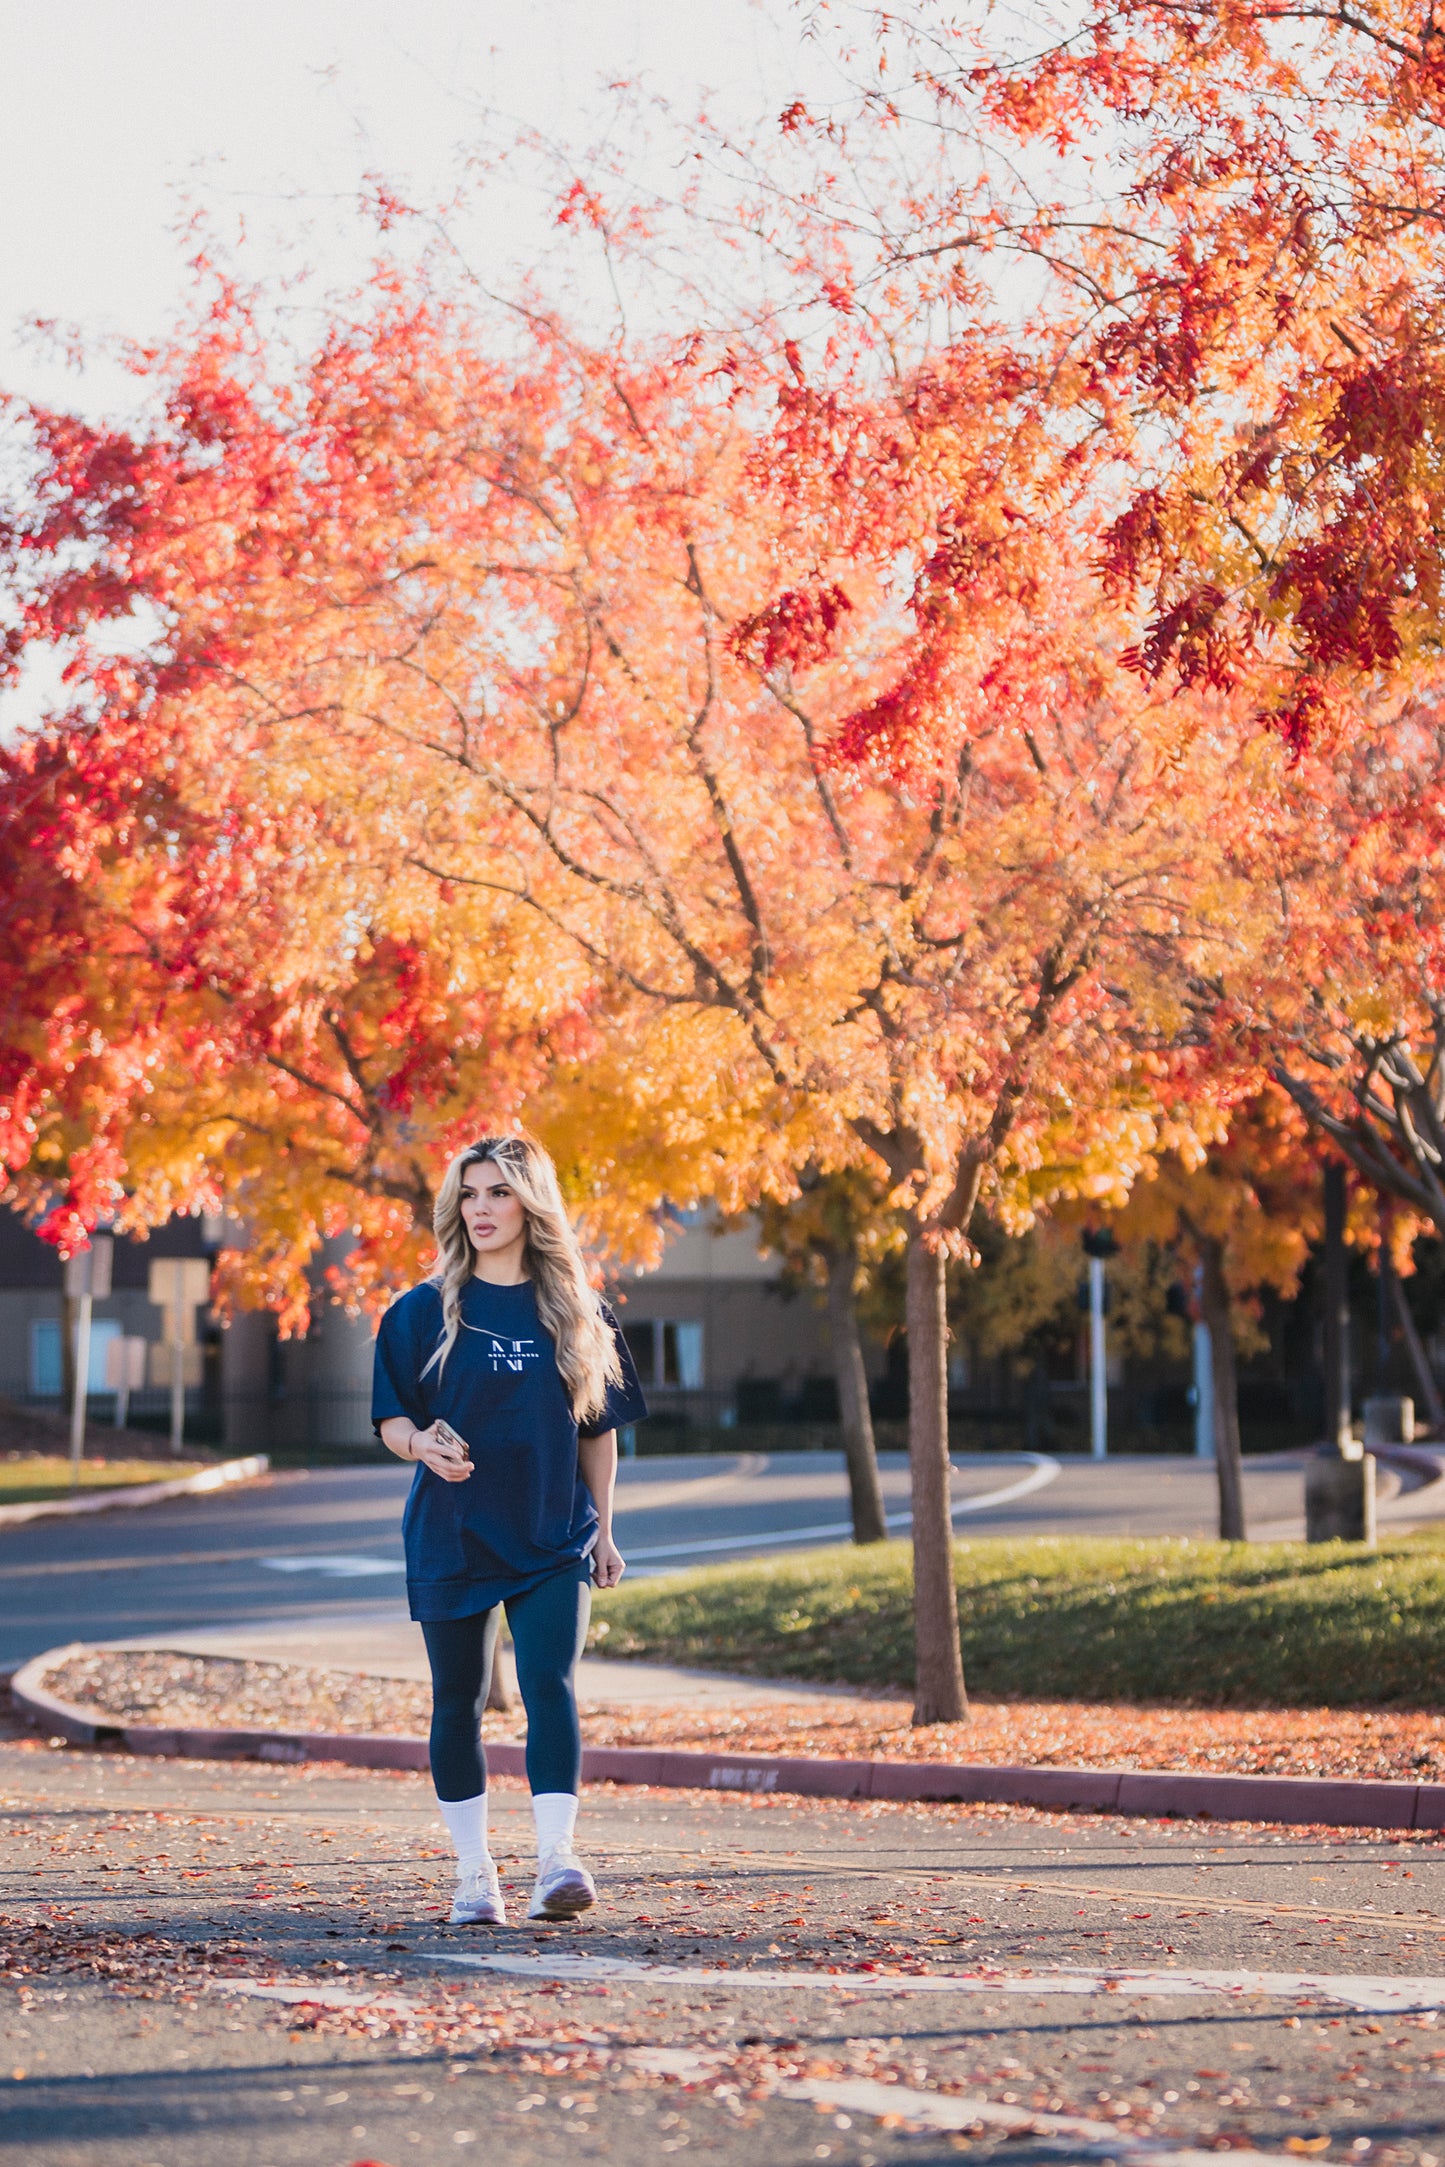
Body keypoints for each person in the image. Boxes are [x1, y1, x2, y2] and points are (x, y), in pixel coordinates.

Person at [372, 1132, 648, 1926]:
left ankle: (558, 1859)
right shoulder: (421, 1310)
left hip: (552, 1531)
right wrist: (421, 1443)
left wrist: (603, 1531)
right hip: (450, 1534)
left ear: (531, 1202)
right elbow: (392, 1417)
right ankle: (473, 1874)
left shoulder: (578, 1310)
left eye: (498, 1191)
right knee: (456, 1699)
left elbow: (597, 1429)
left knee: (550, 1684)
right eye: (470, 1192)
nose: (483, 1207)